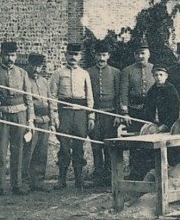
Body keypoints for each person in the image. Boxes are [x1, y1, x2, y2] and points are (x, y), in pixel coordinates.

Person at [0, 41, 34, 196]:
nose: (10, 58)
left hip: (20, 115)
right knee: (0, 152)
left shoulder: (22, 73)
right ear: (1, 55)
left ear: (16, 56)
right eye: (7, 55)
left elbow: (28, 98)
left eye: (13, 55)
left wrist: (30, 120)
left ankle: (17, 184)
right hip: (1, 115)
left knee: (18, 151)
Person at [49, 42, 94, 190]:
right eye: (70, 54)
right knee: (64, 146)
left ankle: (79, 179)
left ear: (80, 56)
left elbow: (89, 97)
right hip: (64, 112)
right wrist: (54, 115)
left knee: (79, 145)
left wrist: (91, 116)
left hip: (80, 113)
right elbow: (52, 96)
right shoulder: (58, 73)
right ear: (66, 55)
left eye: (76, 54)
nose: (73, 57)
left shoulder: (84, 74)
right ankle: (61, 179)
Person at [118, 36, 155, 179]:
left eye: (143, 53)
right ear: (134, 55)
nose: (141, 56)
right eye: (138, 53)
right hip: (134, 111)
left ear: (148, 53)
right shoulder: (127, 71)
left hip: (150, 112)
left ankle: (150, 172)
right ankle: (135, 173)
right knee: (135, 142)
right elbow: (123, 93)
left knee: (150, 140)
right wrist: (125, 113)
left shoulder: (154, 69)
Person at [87, 40, 121, 187]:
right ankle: (98, 175)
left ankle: (109, 176)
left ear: (108, 56)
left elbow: (120, 95)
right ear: (94, 55)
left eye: (104, 55)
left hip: (111, 115)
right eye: (99, 55)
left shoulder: (115, 72)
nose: (101, 58)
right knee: (96, 146)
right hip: (95, 114)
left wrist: (118, 115)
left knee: (109, 146)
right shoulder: (88, 73)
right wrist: (90, 115)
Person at [22, 53, 51, 191]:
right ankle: (25, 182)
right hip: (31, 120)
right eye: (34, 66)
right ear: (29, 64)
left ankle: (38, 181)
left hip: (44, 120)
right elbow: (27, 101)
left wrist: (51, 120)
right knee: (29, 151)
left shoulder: (44, 81)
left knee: (42, 151)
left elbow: (50, 101)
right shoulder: (24, 79)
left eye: (39, 66)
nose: (36, 69)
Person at [142, 64, 180, 132]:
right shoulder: (152, 90)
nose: (158, 77)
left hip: (169, 125)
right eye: (156, 75)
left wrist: (166, 125)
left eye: (161, 75)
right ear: (153, 76)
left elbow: (175, 110)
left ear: (166, 76)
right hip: (154, 124)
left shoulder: (171, 90)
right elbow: (147, 108)